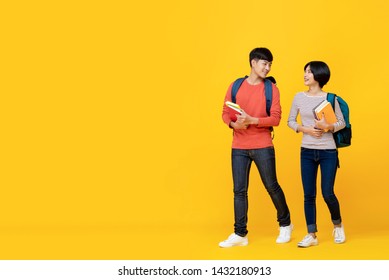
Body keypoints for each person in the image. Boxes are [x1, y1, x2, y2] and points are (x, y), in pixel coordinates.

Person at [219, 47, 292, 248]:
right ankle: (240, 233)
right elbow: (225, 111)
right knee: (239, 191)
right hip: (239, 146)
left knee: (271, 186)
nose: (267, 68)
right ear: (253, 62)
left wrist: (252, 120)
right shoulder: (235, 86)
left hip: (262, 145)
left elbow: (276, 119)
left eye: (270, 65)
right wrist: (233, 124)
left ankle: (285, 224)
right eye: (264, 63)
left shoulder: (271, 89)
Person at [287, 61, 346, 248]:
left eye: (310, 72)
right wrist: (306, 129)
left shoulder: (330, 99)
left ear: (319, 76)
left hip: (328, 151)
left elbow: (341, 123)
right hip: (306, 151)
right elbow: (290, 121)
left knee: (327, 193)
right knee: (309, 195)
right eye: (305, 71)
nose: (305, 75)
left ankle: (338, 225)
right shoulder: (298, 97)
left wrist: (328, 127)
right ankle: (311, 234)